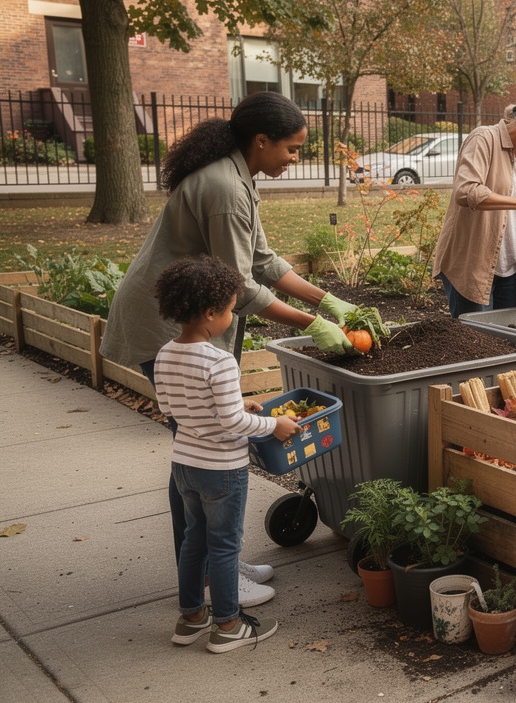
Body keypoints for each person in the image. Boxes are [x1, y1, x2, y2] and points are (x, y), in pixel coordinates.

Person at [101, 91, 362, 606]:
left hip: (185, 317)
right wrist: (315, 324)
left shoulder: (237, 176)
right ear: (261, 142)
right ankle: (206, 578)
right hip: (166, 325)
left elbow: (262, 259)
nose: (296, 158)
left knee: (202, 451)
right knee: (201, 457)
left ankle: (214, 560)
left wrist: (330, 301)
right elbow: (241, 288)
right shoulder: (224, 187)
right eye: (293, 148)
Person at [154, 255, 299, 652]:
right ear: (210, 312)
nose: (233, 318)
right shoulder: (219, 360)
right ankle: (229, 625)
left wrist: (233, 409)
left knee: (193, 543)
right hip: (223, 470)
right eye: (231, 310)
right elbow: (233, 424)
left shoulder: (165, 353)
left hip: (185, 464)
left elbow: (169, 408)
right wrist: (274, 425)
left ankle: (191, 618)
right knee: (224, 547)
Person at [431, 91, 516, 317]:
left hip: (510, 272)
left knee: (504, 344)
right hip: (473, 266)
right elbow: (466, 191)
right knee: (477, 345)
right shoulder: (484, 139)